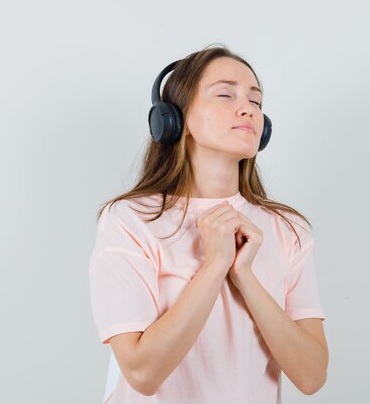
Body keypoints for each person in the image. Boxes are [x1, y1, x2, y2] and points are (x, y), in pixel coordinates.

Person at [88, 44, 328, 404]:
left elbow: (311, 376)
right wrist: (215, 265)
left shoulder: (287, 229)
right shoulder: (131, 220)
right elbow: (142, 373)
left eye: (256, 101)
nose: (247, 108)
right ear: (174, 120)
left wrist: (244, 275)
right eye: (224, 94)